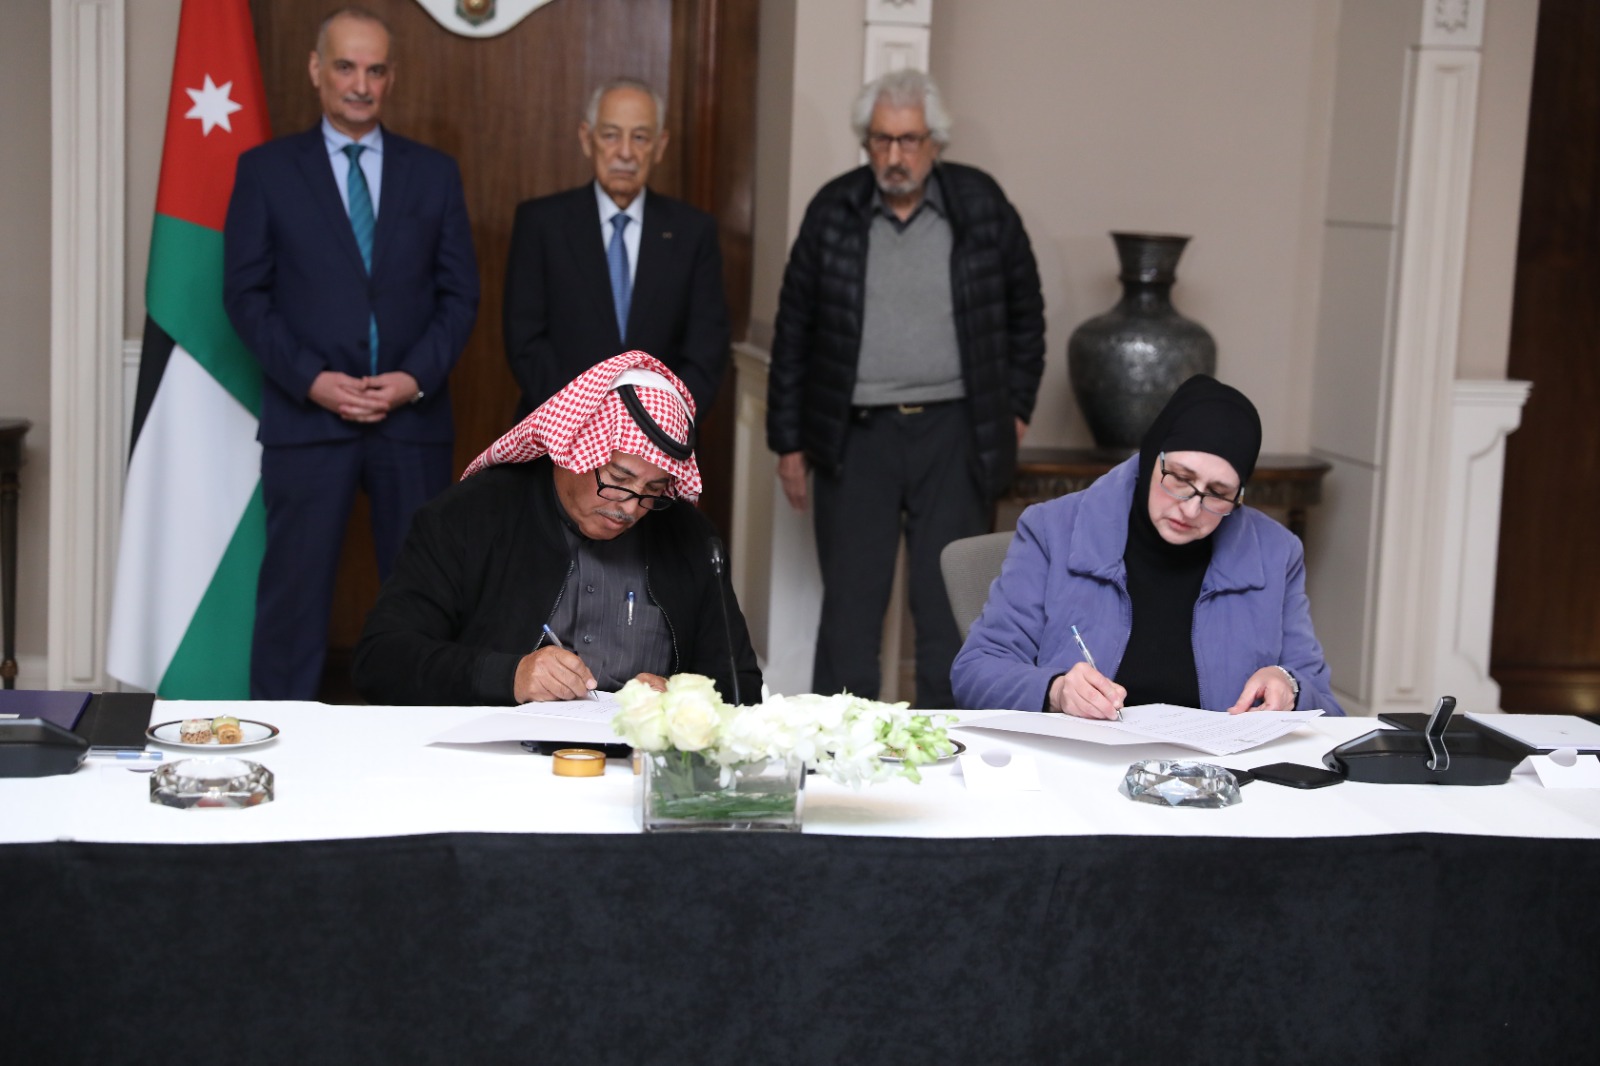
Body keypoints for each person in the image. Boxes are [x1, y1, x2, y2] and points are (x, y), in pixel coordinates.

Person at [767, 69, 1045, 709]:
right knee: (850, 610)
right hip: (854, 437)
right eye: (882, 140)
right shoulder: (833, 209)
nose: (895, 156)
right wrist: (788, 443)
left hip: (954, 433)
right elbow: (794, 330)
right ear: (866, 142)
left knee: (948, 606)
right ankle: (840, 745)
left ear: (934, 143)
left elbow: (1025, 313)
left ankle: (954, 745)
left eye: (909, 140)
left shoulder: (981, 205)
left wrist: (1016, 409)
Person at [223, 6, 478, 700]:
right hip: (308, 420)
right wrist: (312, 380)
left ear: (390, 77)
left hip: (411, 422)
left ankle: (420, 739)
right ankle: (280, 740)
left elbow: (461, 296)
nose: (361, 84)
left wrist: (414, 378)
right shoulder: (266, 171)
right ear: (316, 70)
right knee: (293, 599)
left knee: (425, 597)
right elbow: (245, 295)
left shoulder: (434, 174)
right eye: (345, 66)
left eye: (375, 70)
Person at [352, 351, 761, 706]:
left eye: (653, 491)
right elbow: (381, 660)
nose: (630, 507)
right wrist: (510, 676)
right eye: (618, 479)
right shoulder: (470, 516)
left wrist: (682, 698)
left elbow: (740, 685)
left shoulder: (690, 539)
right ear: (572, 447)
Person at [951, 374, 1345, 717]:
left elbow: (1326, 706)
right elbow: (975, 671)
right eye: (1180, 478)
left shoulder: (1277, 553)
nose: (1191, 508)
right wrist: (1056, 691)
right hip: (1079, 767)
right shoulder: (1052, 529)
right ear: (1151, 457)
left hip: (1219, 772)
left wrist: (1289, 685)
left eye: (1218, 493)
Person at [502, 78, 730, 420]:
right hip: (560, 433)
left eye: (640, 137)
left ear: (660, 146)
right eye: (611, 135)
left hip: (658, 437)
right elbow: (525, 341)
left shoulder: (693, 232)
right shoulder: (541, 224)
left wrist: (652, 424)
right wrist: (590, 423)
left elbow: (706, 351)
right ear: (586, 138)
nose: (625, 152)